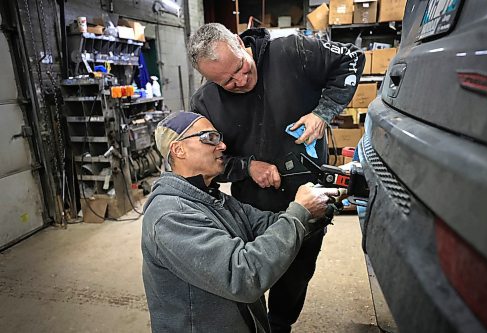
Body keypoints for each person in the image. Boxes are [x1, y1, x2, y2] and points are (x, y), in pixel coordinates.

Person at [188, 23, 364, 332]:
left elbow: (351, 59)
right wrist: (247, 167)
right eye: (227, 81)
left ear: (242, 44)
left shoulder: (293, 51)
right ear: (210, 80)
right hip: (252, 205)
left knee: (296, 274)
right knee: (251, 272)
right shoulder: (205, 103)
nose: (241, 80)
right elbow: (210, 163)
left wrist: (323, 112)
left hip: (309, 193)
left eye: (241, 67)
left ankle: (280, 325)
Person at [142, 111, 339, 333]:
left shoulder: (215, 199)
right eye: (210, 138)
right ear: (179, 150)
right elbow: (243, 275)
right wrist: (299, 211)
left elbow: (269, 225)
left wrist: (323, 205)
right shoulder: (170, 216)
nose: (223, 146)